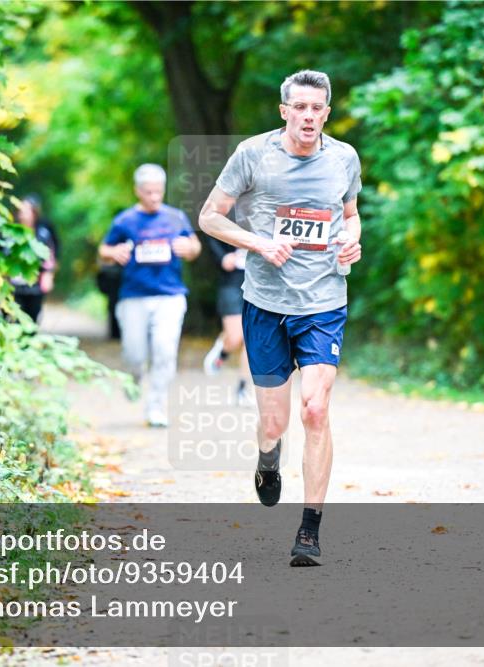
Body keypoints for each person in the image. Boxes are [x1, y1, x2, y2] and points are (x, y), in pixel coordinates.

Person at [198, 70, 362, 566]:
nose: (309, 116)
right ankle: (269, 458)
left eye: (318, 108)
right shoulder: (254, 154)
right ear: (284, 110)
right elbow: (210, 217)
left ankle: (309, 531)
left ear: (326, 113)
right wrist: (260, 242)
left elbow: (350, 213)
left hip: (323, 302)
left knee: (315, 409)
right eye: (301, 108)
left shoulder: (344, 159)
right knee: (275, 422)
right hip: (266, 303)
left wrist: (354, 238)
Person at [98, 164, 202, 427]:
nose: (155, 197)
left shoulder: (176, 217)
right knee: (135, 354)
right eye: (148, 192)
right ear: (137, 191)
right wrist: (114, 253)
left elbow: (195, 247)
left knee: (165, 350)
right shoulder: (124, 221)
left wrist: (188, 248)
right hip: (134, 295)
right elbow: (104, 250)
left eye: (159, 192)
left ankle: (156, 406)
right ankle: (134, 374)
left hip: (170, 295)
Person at [202, 236, 254, 407]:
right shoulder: (230, 213)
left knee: (250, 339)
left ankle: (243, 388)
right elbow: (210, 231)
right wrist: (222, 256)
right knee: (235, 337)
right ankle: (223, 349)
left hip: (258, 283)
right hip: (231, 282)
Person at [9, 197, 57, 323]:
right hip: (13, 285)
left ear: (34, 213)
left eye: (26, 211)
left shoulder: (42, 234)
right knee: (14, 319)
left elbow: (49, 257)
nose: (22, 214)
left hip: (34, 285)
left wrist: (48, 275)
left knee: (32, 318)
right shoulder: (10, 233)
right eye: (21, 210)